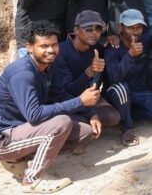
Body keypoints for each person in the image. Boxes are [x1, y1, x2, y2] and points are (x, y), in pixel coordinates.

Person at [0, 21, 100, 194]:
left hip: (21, 129)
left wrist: (91, 113)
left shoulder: (48, 66)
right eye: (44, 46)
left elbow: (60, 95)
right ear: (30, 47)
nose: (51, 50)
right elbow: (34, 115)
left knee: (84, 132)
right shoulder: (23, 73)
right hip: (1, 140)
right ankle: (31, 180)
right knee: (62, 122)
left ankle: (23, 158)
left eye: (54, 45)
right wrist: (80, 101)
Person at [51, 10, 137, 147]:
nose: (94, 33)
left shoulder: (97, 47)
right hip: (66, 100)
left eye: (98, 29)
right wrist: (89, 72)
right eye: (88, 29)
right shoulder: (61, 52)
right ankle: (72, 133)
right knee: (76, 122)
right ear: (76, 30)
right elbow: (66, 91)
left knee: (113, 117)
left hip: (90, 99)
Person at [103, 10, 152, 130]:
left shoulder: (145, 40)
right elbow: (114, 78)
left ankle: (129, 114)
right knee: (122, 88)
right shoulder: (113, 47)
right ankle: (127, 128)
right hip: (117, 94)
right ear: (120, 28)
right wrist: (130, 55)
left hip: (140, 92)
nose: (135, 32)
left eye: (139, 27)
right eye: (130, 28)